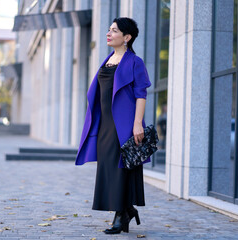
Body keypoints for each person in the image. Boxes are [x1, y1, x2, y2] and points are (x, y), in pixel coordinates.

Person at [75, 17, 151, 234]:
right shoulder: (107, 60)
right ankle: (127, 209)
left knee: (121, 167)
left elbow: (141, 94)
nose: (109, 33)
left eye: (114, 30)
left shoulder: (135, 62)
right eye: (109, 29)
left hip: (125, 123)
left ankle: (120, 215)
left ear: (127, 37)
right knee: (109, 167)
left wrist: (138, 124)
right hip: (106, 124)